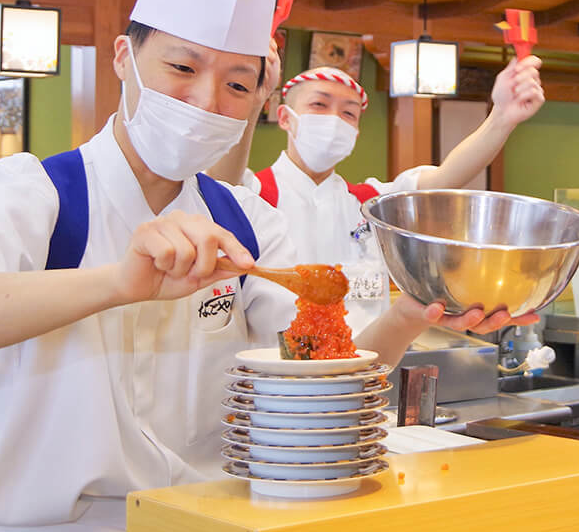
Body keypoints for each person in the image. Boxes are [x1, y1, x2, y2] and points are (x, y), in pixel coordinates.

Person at [0, 0, 526, 532]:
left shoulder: (245, 221)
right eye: (181, 67)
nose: (205, 99)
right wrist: (116, 281)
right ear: (123, 58)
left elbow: (325, 370)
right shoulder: (35, 192)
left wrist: (413, 313)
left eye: (236, 83)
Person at [209, 56, 545, 330]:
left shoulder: (370, 203)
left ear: (355, 131)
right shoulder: (256, 193)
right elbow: (220, 187)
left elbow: (445, 178)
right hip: (278, 385)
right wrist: (253, 102)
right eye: (319, 105)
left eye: (348, 113)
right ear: (285, 117)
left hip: (367, 376)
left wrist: (502, 117)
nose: (334, 119)